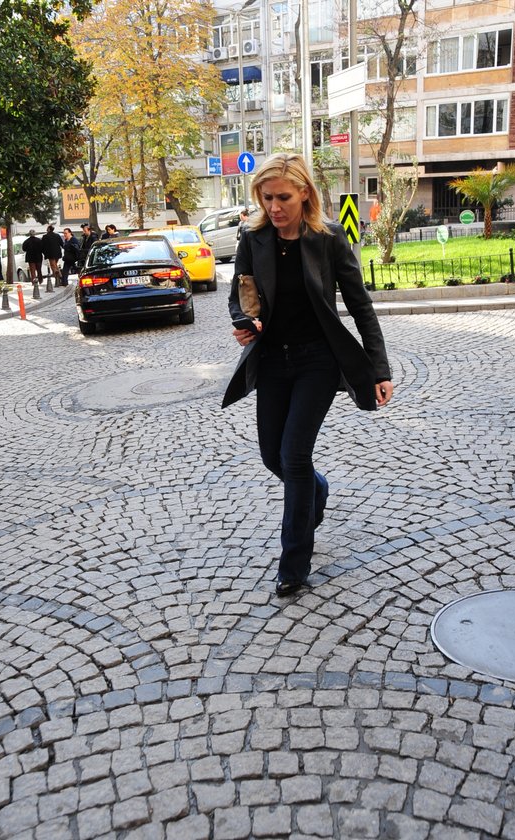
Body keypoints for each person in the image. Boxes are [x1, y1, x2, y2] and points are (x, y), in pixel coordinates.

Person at [222, 152, 393, 597]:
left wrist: (379, 369)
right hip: (272, 361)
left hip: (318, 361)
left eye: (283, 197)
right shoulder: (253, 237)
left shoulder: (328, 238)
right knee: (272, 457)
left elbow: (360, 306)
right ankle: (317, 492)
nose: (274, 207)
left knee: (294, 456)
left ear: (304, 194)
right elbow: (241, 294)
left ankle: (294, 564)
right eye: (266, 197)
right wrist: (244, 322)